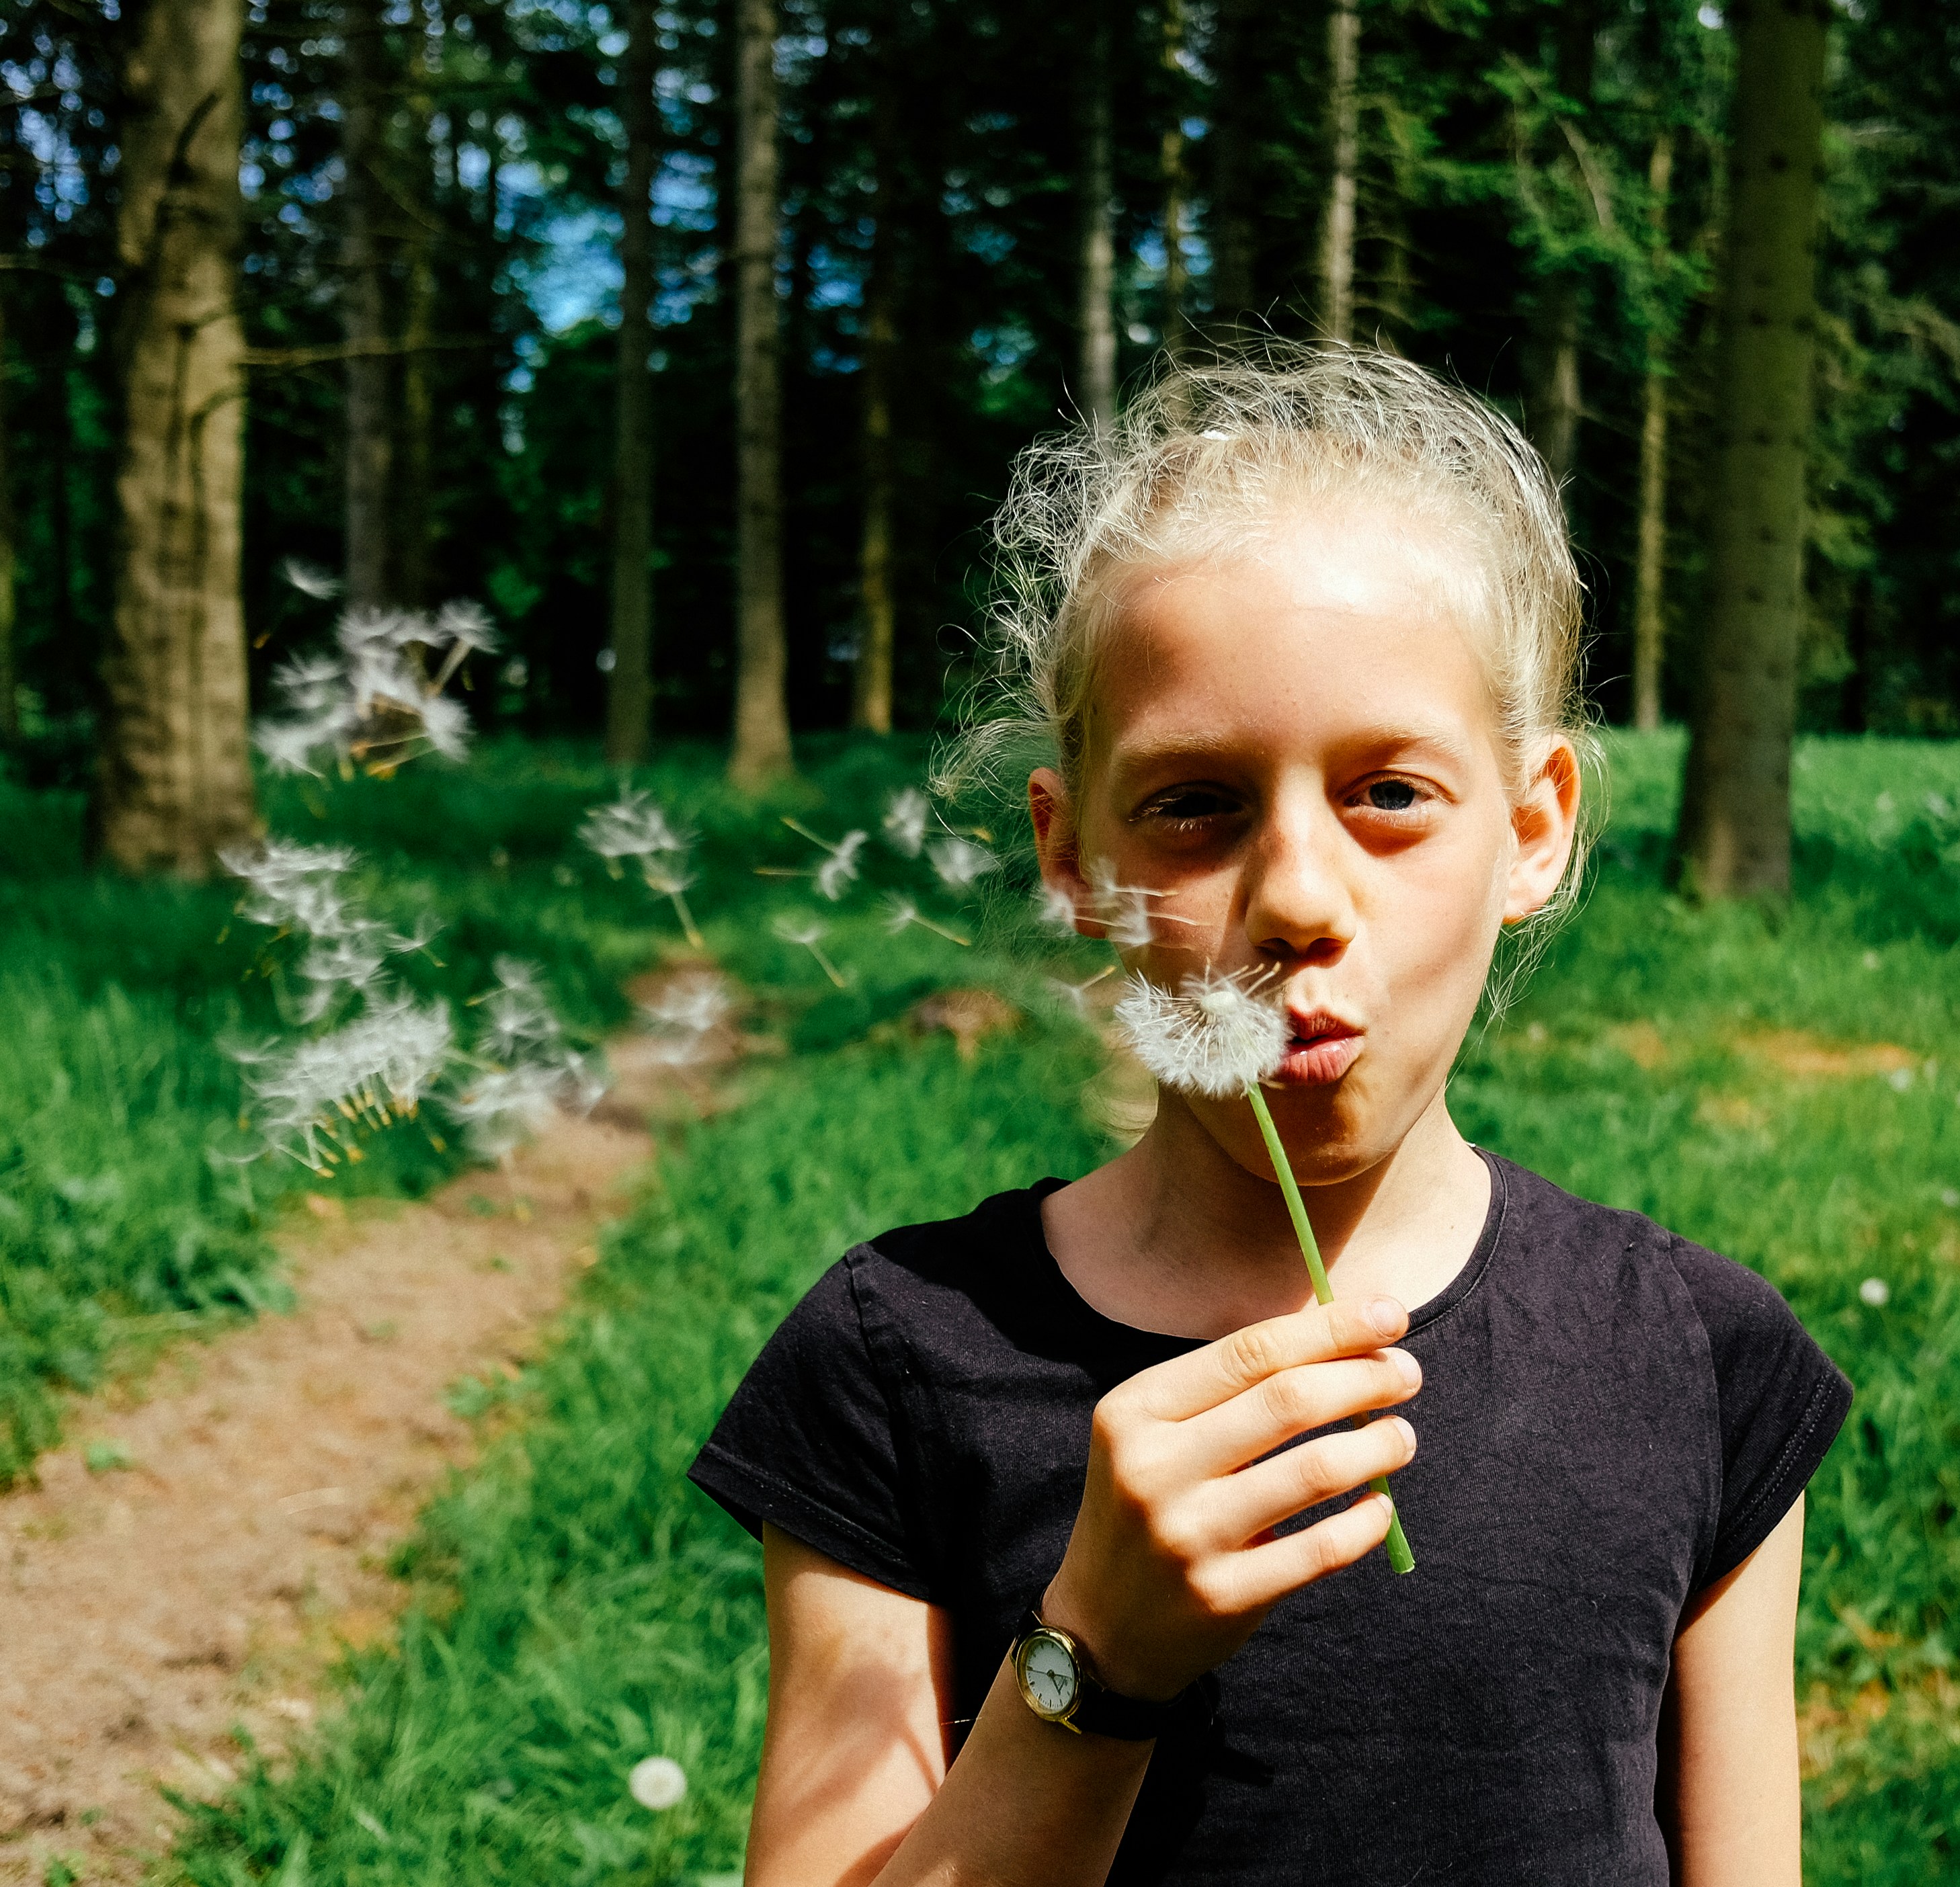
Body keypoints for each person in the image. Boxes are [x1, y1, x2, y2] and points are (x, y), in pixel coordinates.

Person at [689, 346, 1850, 1886]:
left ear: (1532, 832)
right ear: (1069, 855)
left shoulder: (1698, 1364)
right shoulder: (893, 1363)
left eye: (1388, 794)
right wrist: (1092, 1666)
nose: (1298, 897)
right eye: (1193, 804)